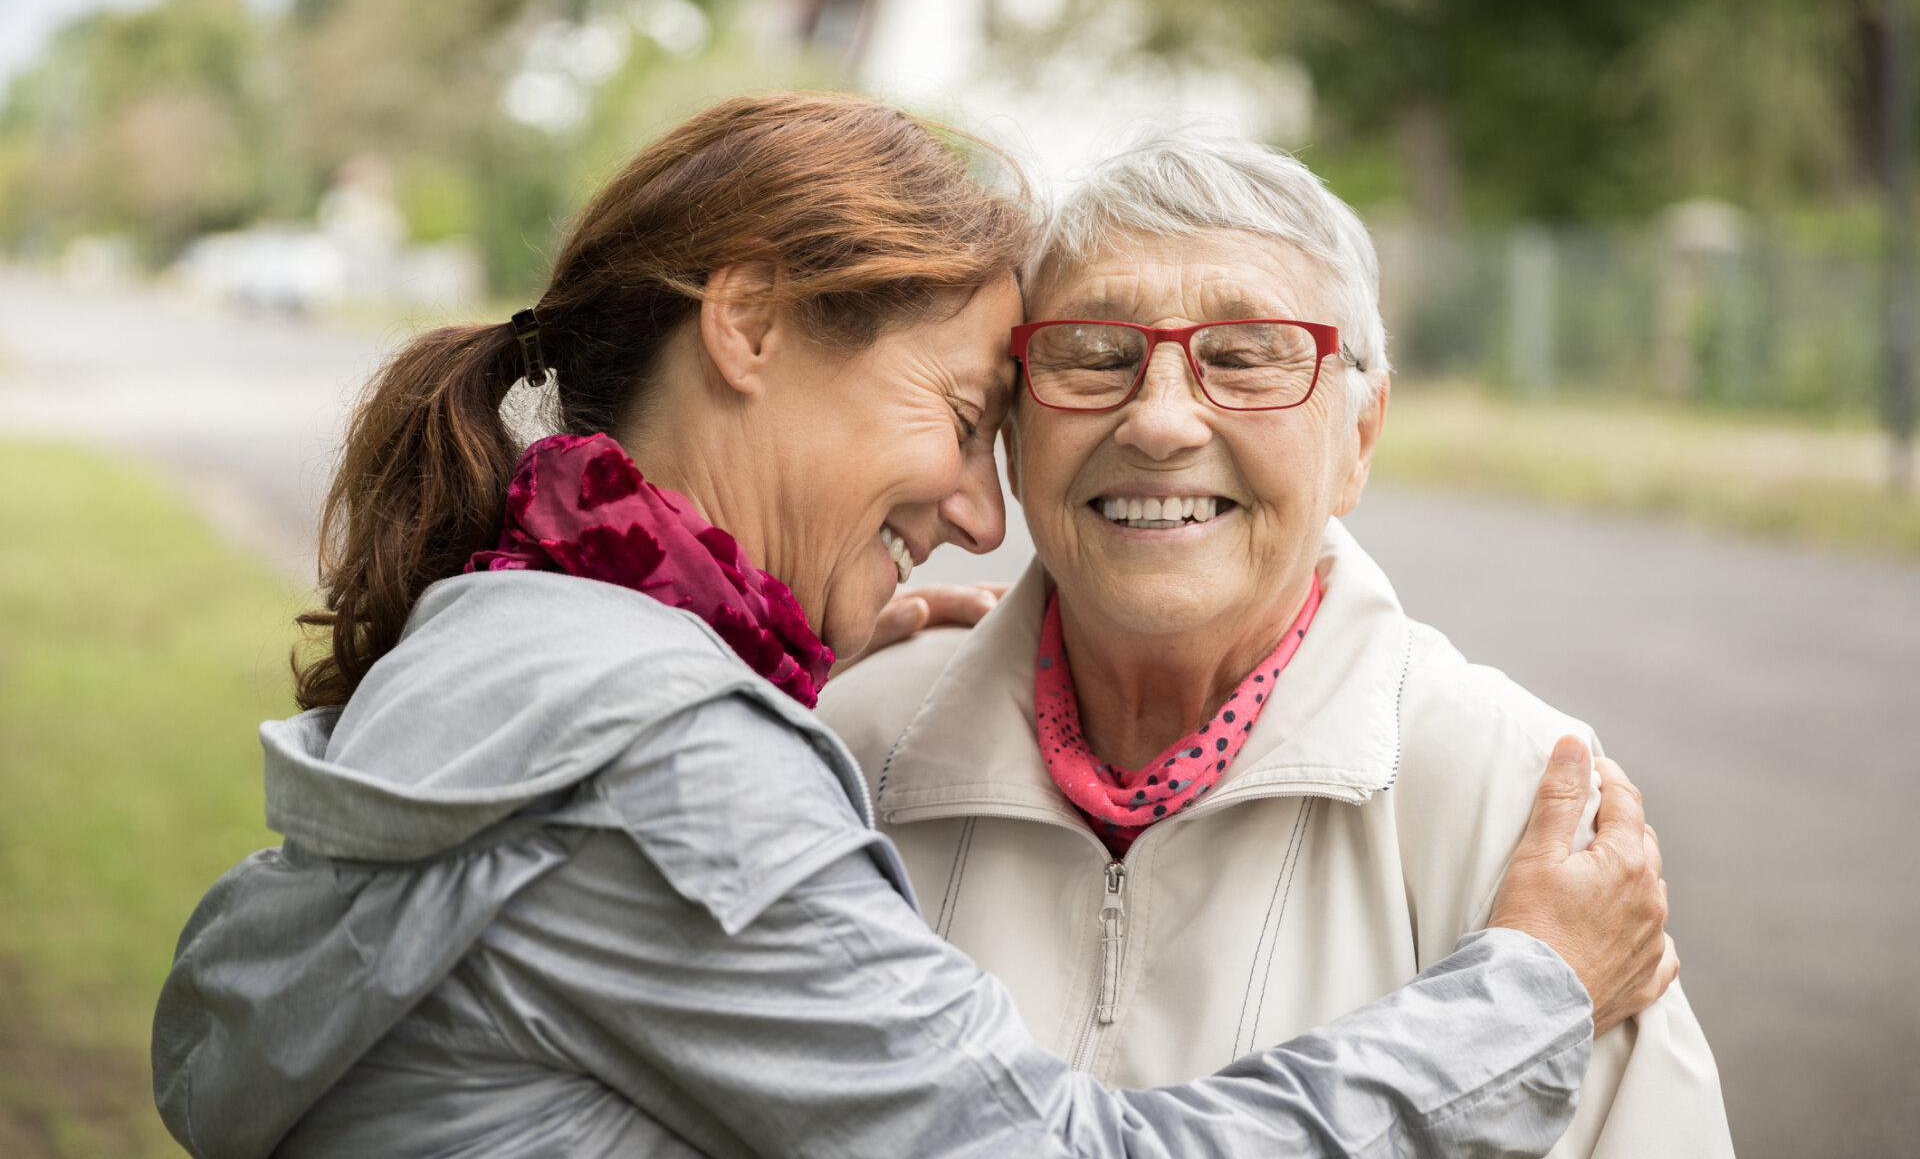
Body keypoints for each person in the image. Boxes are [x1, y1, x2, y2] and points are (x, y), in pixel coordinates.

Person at [152, 93, 1674, 1159]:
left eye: (1249, 360)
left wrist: (750, 698)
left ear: (1362, 427)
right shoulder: (685, 765)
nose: (977, 508)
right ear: (746, 325)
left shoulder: (519, 643)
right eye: (973, 410)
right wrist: (1528, 995)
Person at [819, 127, 1732, 1158]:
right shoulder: (846, 746)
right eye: (1094, 354)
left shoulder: (1518, 796)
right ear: (1016, 434)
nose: (1160, 422)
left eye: (1247, 358)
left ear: (1361, 440)